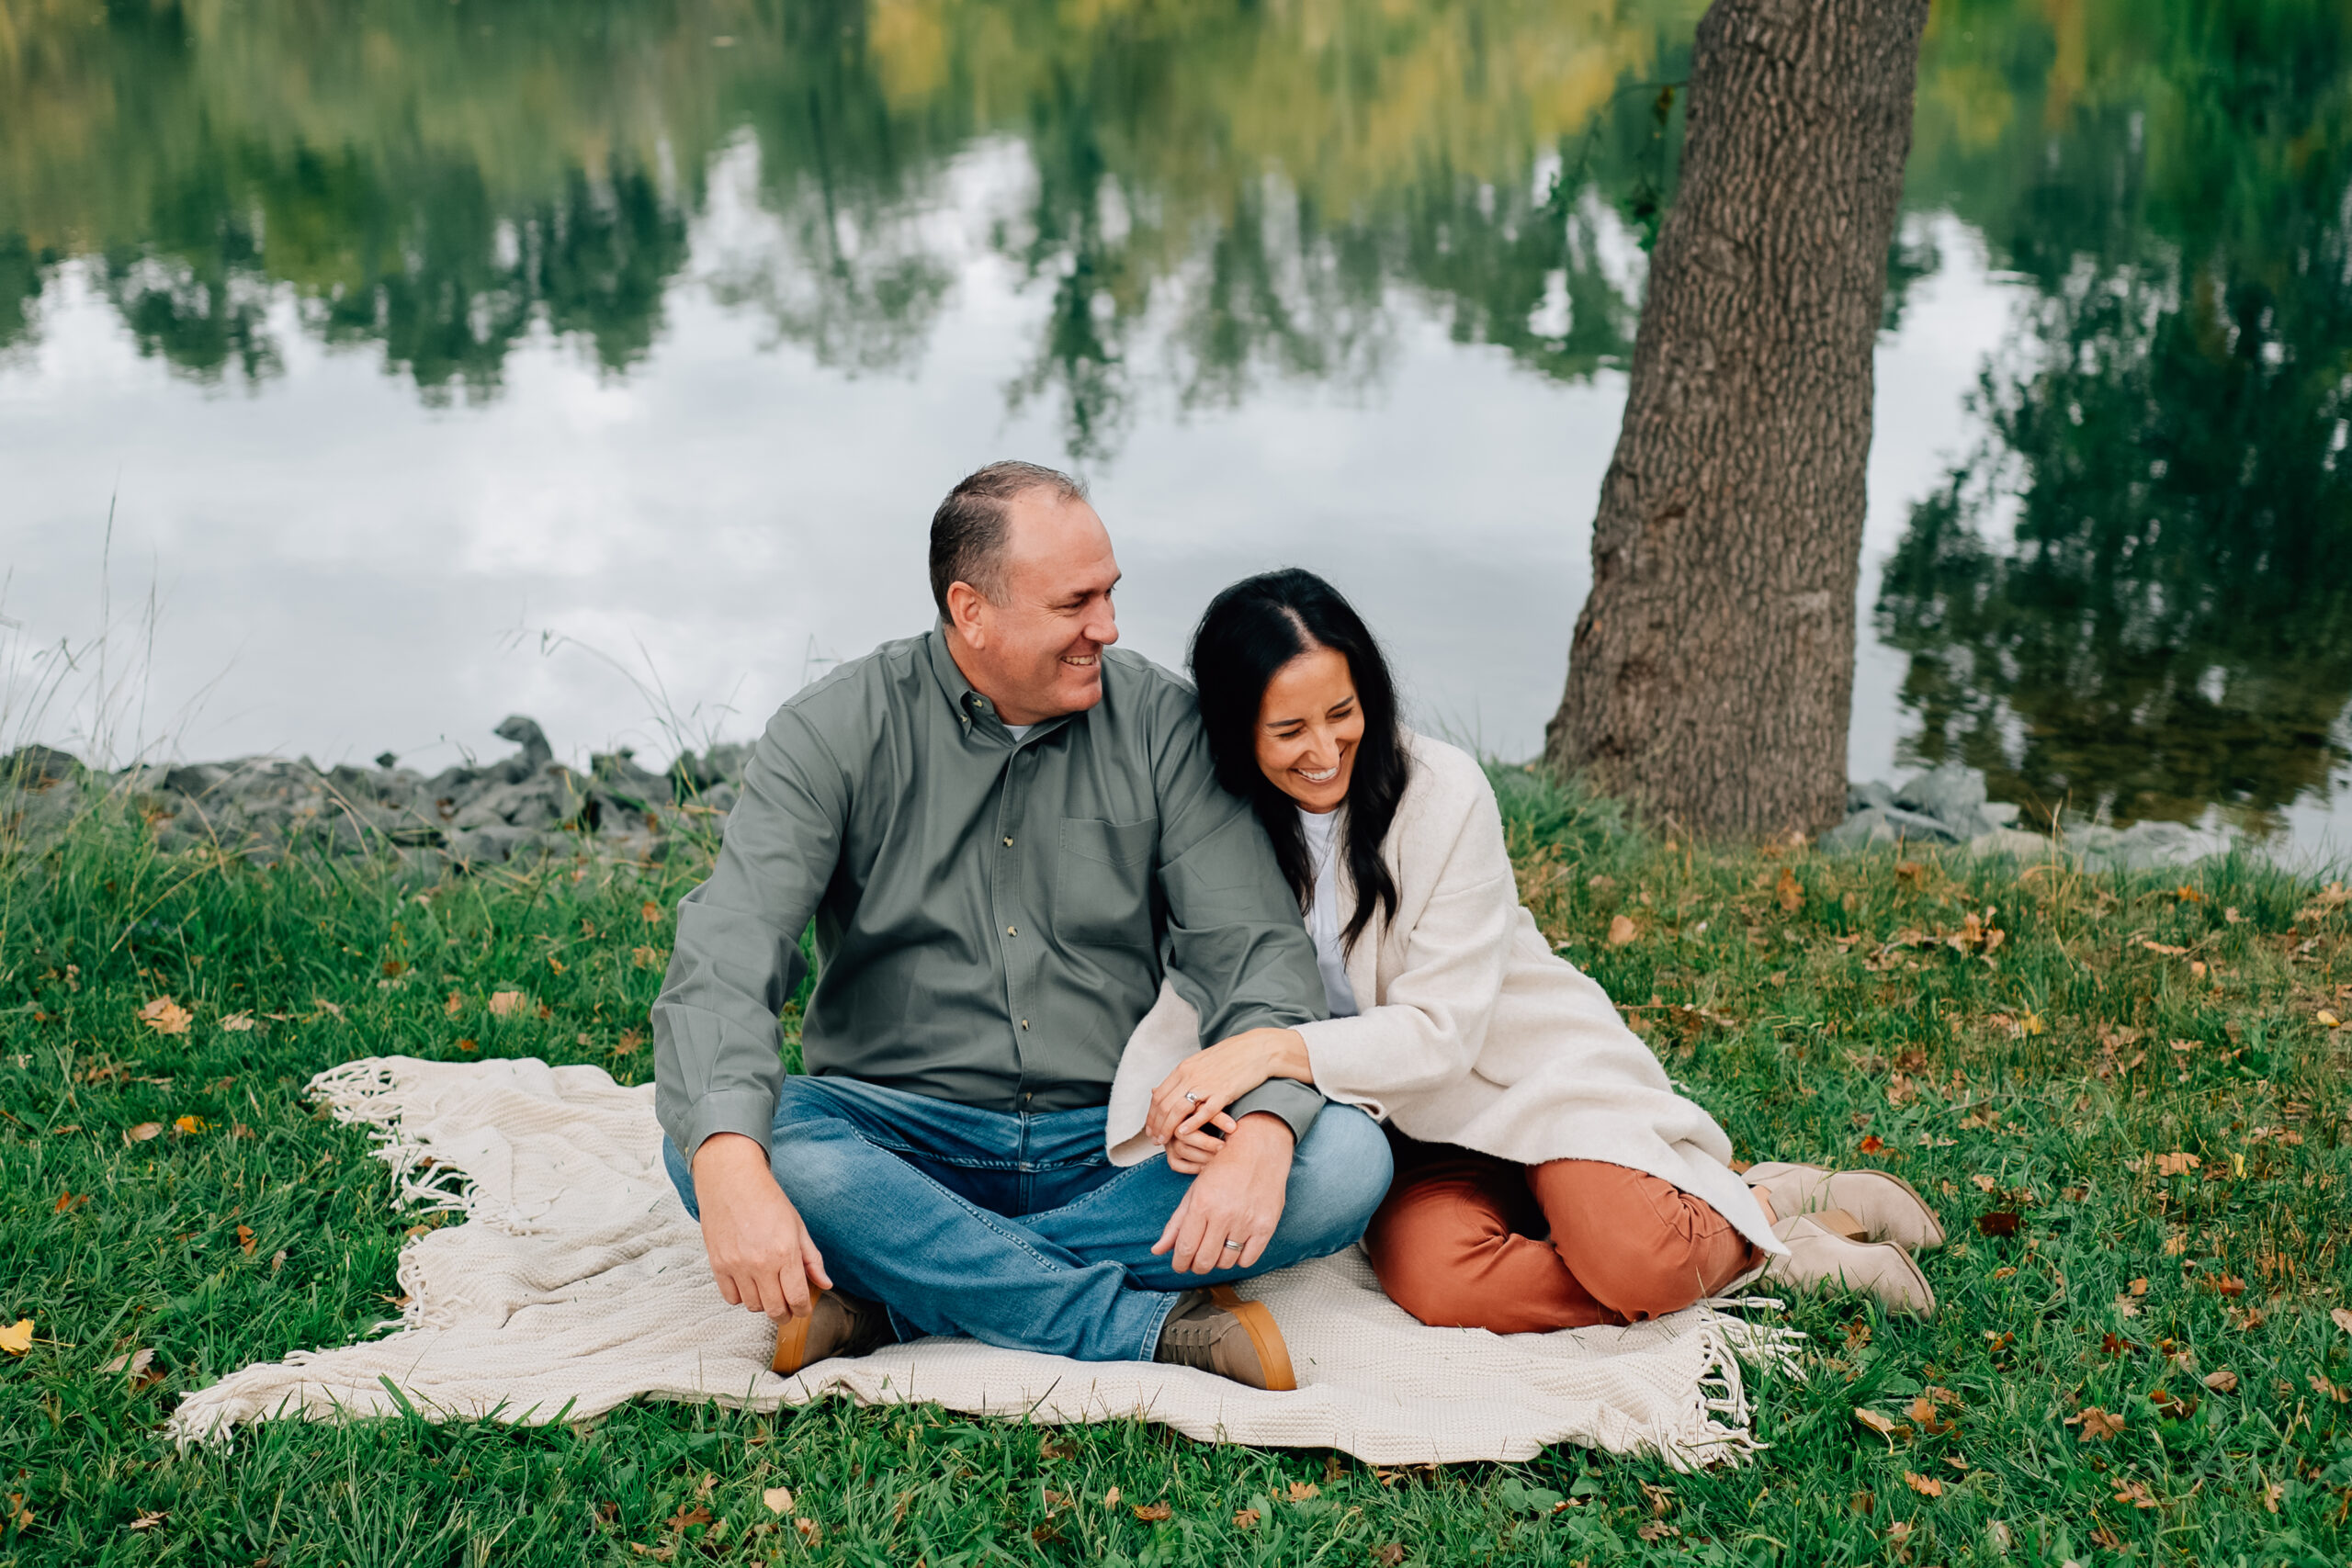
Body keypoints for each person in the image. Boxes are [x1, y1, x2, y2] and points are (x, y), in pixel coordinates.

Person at [650, 465, 1392, 1390]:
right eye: (1074, 603)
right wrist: (727, 1165)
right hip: (896, 1139)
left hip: (1119, 1143)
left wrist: (1267, 1136)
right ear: (972, 611)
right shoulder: (831, 730)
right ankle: (1129, 1324)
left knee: (1342, 1161)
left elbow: (1258, 958)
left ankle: (899, 1288)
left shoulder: (1163, 726)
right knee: (731, 1150)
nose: (1109, 628)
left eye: (1110, 594)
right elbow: (724, 957)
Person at [1107, 569, 1942, 1332]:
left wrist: (1272, 1050)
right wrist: (1201, 1110)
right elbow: (1203, 986)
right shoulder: (1217, 825)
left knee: (1638, 1259)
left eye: (1342, 713)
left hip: (1522, 1083)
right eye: (1288, 729)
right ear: (1233, 729)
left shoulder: (1441, 792)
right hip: (1403, 1133)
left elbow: (1441, 1035)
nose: (1324, 751)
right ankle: (1725, 1225)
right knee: (1438, 1282)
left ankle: (1761, 1224)